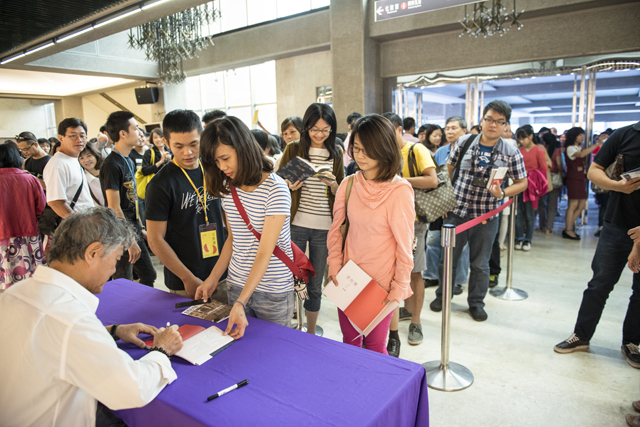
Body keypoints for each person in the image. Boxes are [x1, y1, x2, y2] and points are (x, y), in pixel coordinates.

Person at [0, 207, 184, 427]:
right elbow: (132, 389)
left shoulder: (14, 294)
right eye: (116, 259)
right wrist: (162, 350)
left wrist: (113, 330)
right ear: (93, 253)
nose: (114, 270)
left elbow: (44, 338)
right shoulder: (71, 320)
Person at [195, 115, 295, 340]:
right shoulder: (228, 187)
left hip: (273, 290)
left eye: (225, 158)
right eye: (216, 161)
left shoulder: (275, 189)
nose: (222, 167)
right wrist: (213, 278)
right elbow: (233, 239)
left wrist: (241, 301)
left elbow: (264, 251)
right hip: (237, 284)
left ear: (243, 147)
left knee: (274, 350)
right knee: (240, 349)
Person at [430, 100, 528, 322]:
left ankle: (476, 302)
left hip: (486, 216)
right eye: (489, 119)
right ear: (482, 120)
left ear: (506, 125)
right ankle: (442, 296)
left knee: (480, 264)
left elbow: (522, 182)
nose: (493, 125)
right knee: (448, 259)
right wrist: (444, 200)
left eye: (499, 121)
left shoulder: (511, 152)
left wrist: (503, 193)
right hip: (456, 212)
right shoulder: (465, 141)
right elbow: (448, 169)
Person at [554, 121, 640, 370]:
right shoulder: (625, 135)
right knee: (599, 283)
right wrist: (618, 186)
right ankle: (581, 335)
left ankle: (632, 342)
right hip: (617, 223)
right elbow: (595, 171)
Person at [326, 114, 414, 354]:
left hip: (381, 284)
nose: (360, 156)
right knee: (350, 341)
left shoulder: (400, 190)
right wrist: (334, 264)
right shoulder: (348, 184)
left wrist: (399, 285)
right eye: (356, 148)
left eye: (367, 150)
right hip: (349, 277)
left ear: (384, 149)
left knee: (375, 347)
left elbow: (404, 245)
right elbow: (337, 230)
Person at [279, 103, 345, 335]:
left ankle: (311, 331)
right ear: (306, 127)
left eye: (325, 130)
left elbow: (342, 190)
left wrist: (334, 185)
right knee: (293, 278)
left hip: (324, 227)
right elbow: (278, 182)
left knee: (315, 284)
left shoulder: (336, 152)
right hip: (296, 224)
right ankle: (294, 325)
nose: (319, 134)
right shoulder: (294, 148)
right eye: (315, 129)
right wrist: (289, 185)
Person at [146, 109, 226, 299]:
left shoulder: (215, 170)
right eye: (178, 146)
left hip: (222, 273)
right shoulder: (160, 185)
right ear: (166, 143)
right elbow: (155, 239)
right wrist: (187, 278)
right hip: (186, 280)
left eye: (193, 144)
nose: (187, 152)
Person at [383, 112, 437, 350]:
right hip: (388, 220)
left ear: (399, 130)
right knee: (392, 271)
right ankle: (403, 311)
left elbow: (432, 180)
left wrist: (400, 180)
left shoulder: (416, 150)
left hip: (414, 221)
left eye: (388, 131)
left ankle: (416, 321)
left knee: (415, 270)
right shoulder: (385, 153)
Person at [100, 111, 156, 287]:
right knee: (123, 280)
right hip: (120, 232)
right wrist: (129, 240)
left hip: (133, 228)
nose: (140, 133)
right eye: (136, 128)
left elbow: (132, 201)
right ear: (123, 133)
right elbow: (114, 207)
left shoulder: (128, 160)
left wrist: (140, 228)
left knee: (148, 274)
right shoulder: (111, 164)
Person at [426, 116, 470, 293]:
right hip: (441, 203)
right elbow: (437, 178)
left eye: (454, 128)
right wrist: (442, 202)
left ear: (464, 131)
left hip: (462, 205)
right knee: (433, 240)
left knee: (460, 245)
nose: (449, 131)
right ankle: (432, 275)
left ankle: (457, 280)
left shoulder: (470, 151)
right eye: (447, 128)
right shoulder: (441, 151)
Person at [0, 143, 46, 289]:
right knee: (32, 282)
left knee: (6, 281)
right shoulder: (31, 179)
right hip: (28, 235)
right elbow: (41, 209)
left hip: (2, 236)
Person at [43, 118, 94, 219]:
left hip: (87, 221)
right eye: (73, 136)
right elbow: (55, 202)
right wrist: (78, 223)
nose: (79, 140)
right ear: (61, 138)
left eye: (82, 136)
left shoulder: (72, 159)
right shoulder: (57, 164)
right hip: (77, 224)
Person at [562, 127, 602, 240]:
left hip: (580, 179)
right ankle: (568, 229)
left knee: (581, 205)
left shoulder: (578, 147)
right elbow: (581, 155)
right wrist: (596, 144)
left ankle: (569, 227)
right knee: (573, 204)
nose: (582, 137)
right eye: (580, 135)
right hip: (573, 179)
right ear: (574, 136)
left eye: (582, 135)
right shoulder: (570, 148)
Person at [514, 125, 548, 251]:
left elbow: (543, 169)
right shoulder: (519, 150)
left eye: (524, 138)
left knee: (529, 214)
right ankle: (519, 237)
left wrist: (531, 175)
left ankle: (528, 239)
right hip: (519, 185)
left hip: (532, 188)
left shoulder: (539, 150)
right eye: (520, 139)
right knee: (518, 214)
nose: (522, 141)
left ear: (531, 136)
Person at [541, 132, 561, 234]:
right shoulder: (556, 151)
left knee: (542, 204)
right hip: (554, 179)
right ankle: (549, 228)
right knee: (552, 205)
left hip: (542, 179)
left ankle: (542, 226)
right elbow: (559, 164)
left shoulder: (541, 150)